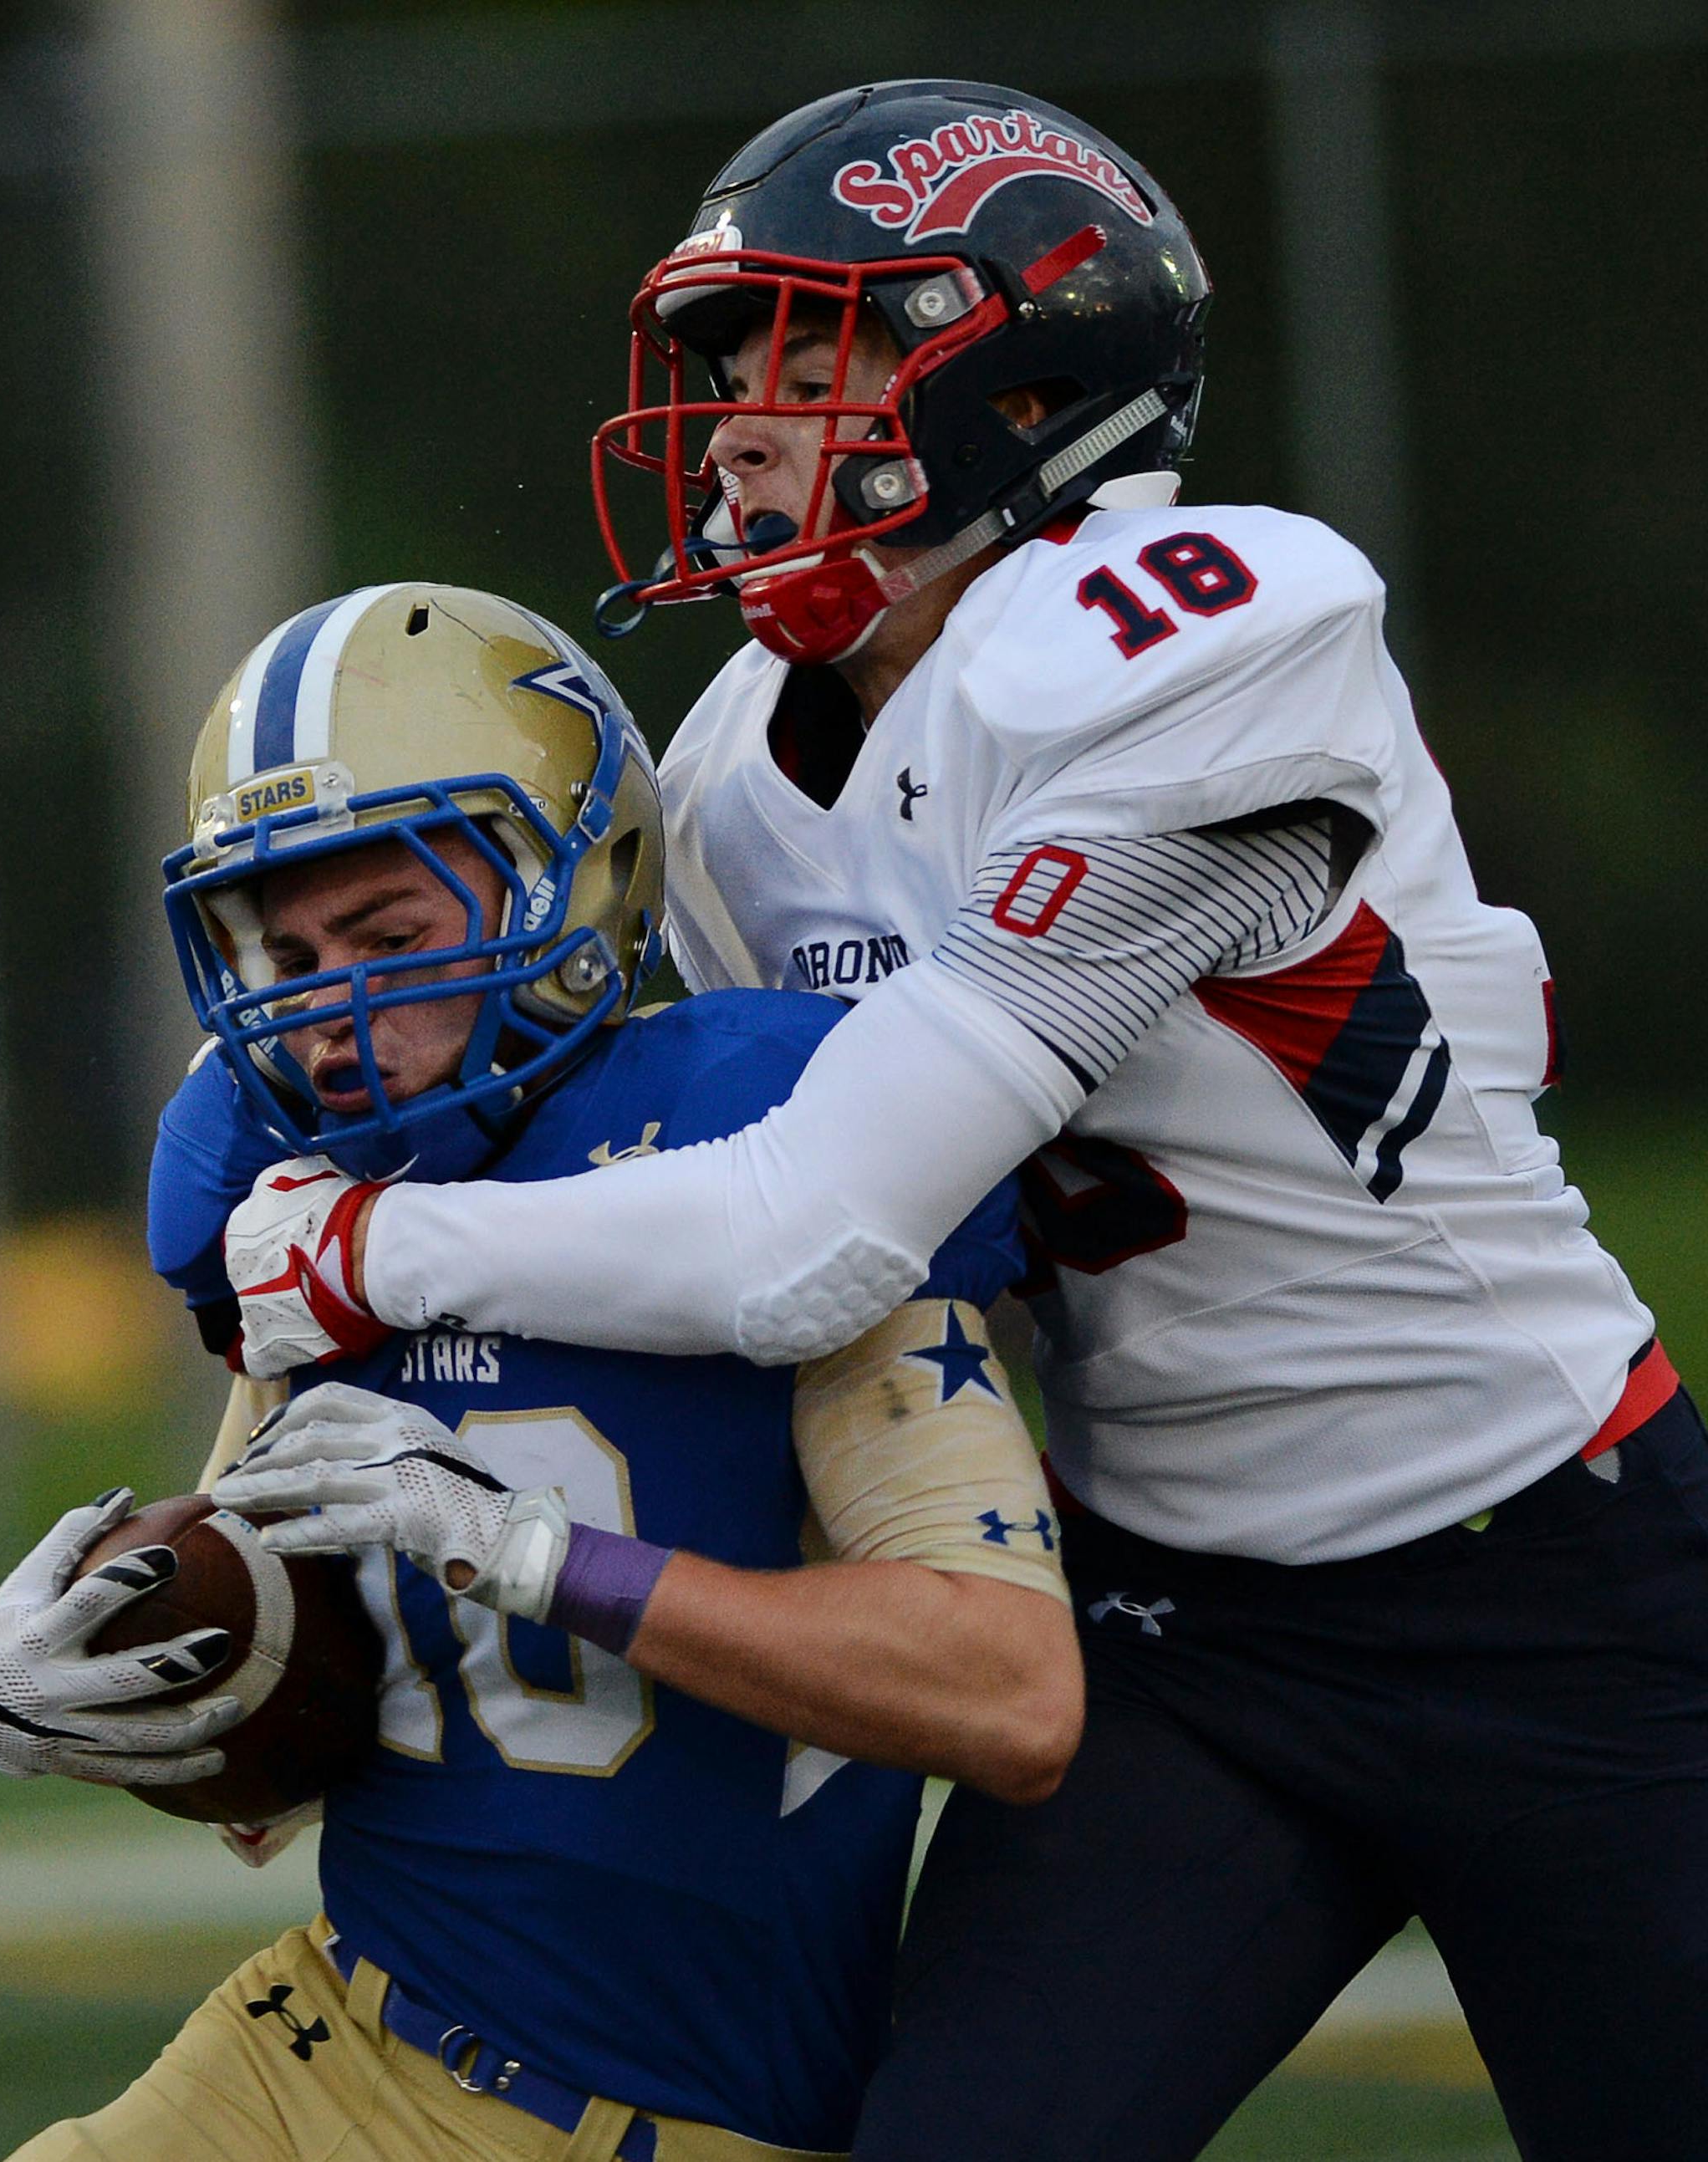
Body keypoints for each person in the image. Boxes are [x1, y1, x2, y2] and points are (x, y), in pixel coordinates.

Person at [203, 83, 1706, 2162]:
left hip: (1544, 1576)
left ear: (1026, 369)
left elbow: (796, 1236)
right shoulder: (736, 770)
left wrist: (367, 1256)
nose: (736, 426)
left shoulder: (1207, 634)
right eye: (727, 372)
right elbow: (676, 1182)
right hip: (1175, 1635)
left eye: (817, 358)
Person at [0, 581, 1082, 2162]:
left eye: (392, 938)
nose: (332, 1008)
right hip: (323, 2033)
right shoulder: (291, 1193)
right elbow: (282, 1730)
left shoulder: (778, 1163)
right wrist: (85, 1682)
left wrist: (544, 1556)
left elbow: (1010, 1692)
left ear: (577, 884)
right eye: (287, 948)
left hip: (674, 2119)